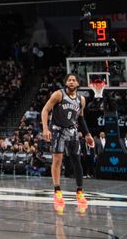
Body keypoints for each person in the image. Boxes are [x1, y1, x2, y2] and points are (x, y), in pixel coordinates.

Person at [40, 73, 95, 209]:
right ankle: (57, 191)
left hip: (72, 131)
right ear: (66, 83)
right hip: (58, 130)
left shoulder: (81, 99)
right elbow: (45, 110)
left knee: (77, 159)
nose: (71, 82)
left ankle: (80, 192)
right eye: (69, 80)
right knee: (57, 159)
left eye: (74, 80)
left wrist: (87, 134)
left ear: (77, 83)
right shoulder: (58, 94)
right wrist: (45, 128)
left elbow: (80, 118)